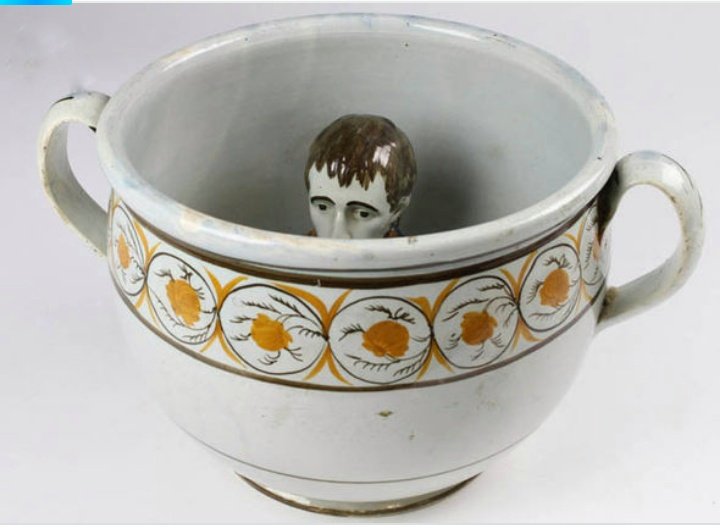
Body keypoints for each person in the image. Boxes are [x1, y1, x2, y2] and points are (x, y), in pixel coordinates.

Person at [304, 114, 417, 239]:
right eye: (322, 207)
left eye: (363, 214)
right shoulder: (300, 251)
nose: (338, 235)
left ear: (397, 210)